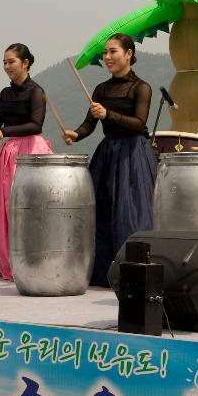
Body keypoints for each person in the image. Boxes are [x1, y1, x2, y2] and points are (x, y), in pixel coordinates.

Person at [63, 33, 157, 287]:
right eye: (105, 53)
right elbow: (89, 123)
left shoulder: (141, 87)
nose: (107, 57)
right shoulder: (101, 89)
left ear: (128, 54)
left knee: (131, 212)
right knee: (103, 213)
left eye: (113, 52)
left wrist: (108, 113)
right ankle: (103, 273)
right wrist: (76, 134)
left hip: (133, 154)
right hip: (107, 154)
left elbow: (138, 124)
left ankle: (133, 272)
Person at [0, 43, 52, 281]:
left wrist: (4, 132)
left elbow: (36, 125)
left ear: (26, 63)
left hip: (30, 152)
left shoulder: (36, 91)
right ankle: (9, 266)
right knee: (0, 212)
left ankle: (33, 262)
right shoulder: (5, 94)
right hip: (8, 153)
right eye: (4, 62)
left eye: (11, 61)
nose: (6, 66)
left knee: (26, 210)